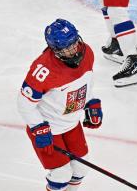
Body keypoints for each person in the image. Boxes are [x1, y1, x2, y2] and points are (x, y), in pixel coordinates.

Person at [17, 19, 102, 191]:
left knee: (81, 168)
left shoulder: (87, 53)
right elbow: (24, 103)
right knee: (60, 175)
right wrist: (38, 127)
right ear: (55, 50)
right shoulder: (43, 69)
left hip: (71, 123)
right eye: (66, 47)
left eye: (73, 43)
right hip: (48, 127)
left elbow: (85, 83)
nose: (73, 49)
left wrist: (91, 102)